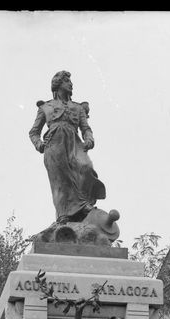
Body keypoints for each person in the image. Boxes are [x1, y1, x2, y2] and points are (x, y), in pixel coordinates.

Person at [29, 70, 106, 224]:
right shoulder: (45, 107)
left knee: (86, 168)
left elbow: (86, 128)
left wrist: (89, 140)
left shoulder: (78, 108)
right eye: (67, 82)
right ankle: (64, 214)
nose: (71, 85)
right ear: (58, 84)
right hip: (54, 143)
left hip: (74, 143)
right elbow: (34, 132)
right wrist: (39, 145)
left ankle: (84, 203)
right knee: (60, 180)